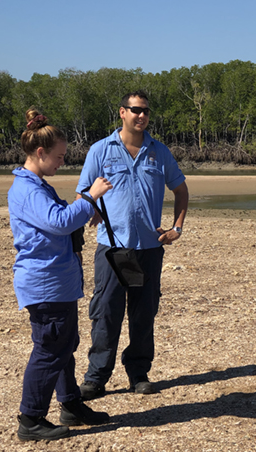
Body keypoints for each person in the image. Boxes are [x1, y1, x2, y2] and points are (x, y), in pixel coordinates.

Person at [9, 108, 113, 441]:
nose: (61, 163)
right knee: (50, 349)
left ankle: (70, 404)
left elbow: (58, 221)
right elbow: (58, 222)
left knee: (65, 344)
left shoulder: (38, 187)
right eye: (58, 156)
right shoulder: (28, 190)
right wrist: (89, 197)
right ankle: (31, 418)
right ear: (39, 153)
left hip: (57, 283)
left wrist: (85, 211)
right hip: (45, 284)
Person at [77, 91, 189, 399]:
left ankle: (138, 372)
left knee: (144, 313)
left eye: (146, 112)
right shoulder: (101, 150)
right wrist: (92, 207)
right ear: (122, 112)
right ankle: (96, 376)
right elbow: (82, 193)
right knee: (106, 312)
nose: (141, 116)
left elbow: (181, 190)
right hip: (112, 249)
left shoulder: (159, 152)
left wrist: (176, 227)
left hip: (149, 249)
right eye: (136, 110)